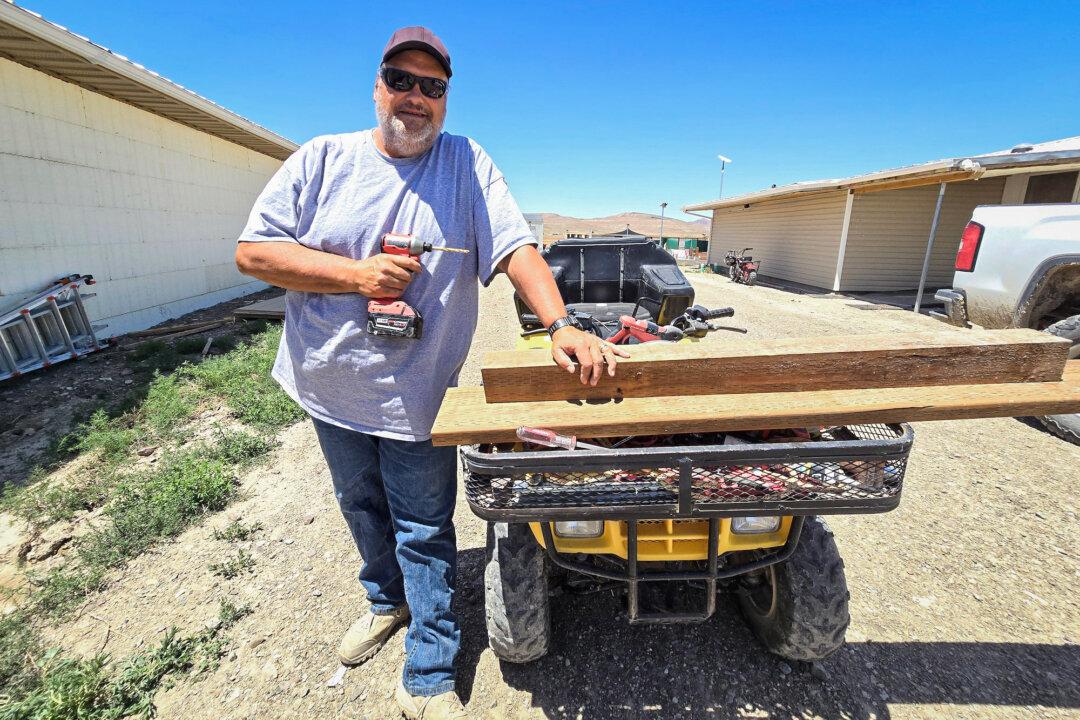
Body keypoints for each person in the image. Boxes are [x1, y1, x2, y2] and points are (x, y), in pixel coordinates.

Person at [234, 26, 626, 720]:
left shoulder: (465, 164)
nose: (416, 97)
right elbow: (254, 253)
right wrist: (356, 275)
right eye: (402, 80)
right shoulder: (322, 159)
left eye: (433, 87)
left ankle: (429, 670)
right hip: (326, 385)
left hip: (416, 397)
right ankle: (386, 603)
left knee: (423, 526)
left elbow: (516, 248)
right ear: (378, 86)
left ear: (446, 99)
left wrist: (561, 323)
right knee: (360, 508)